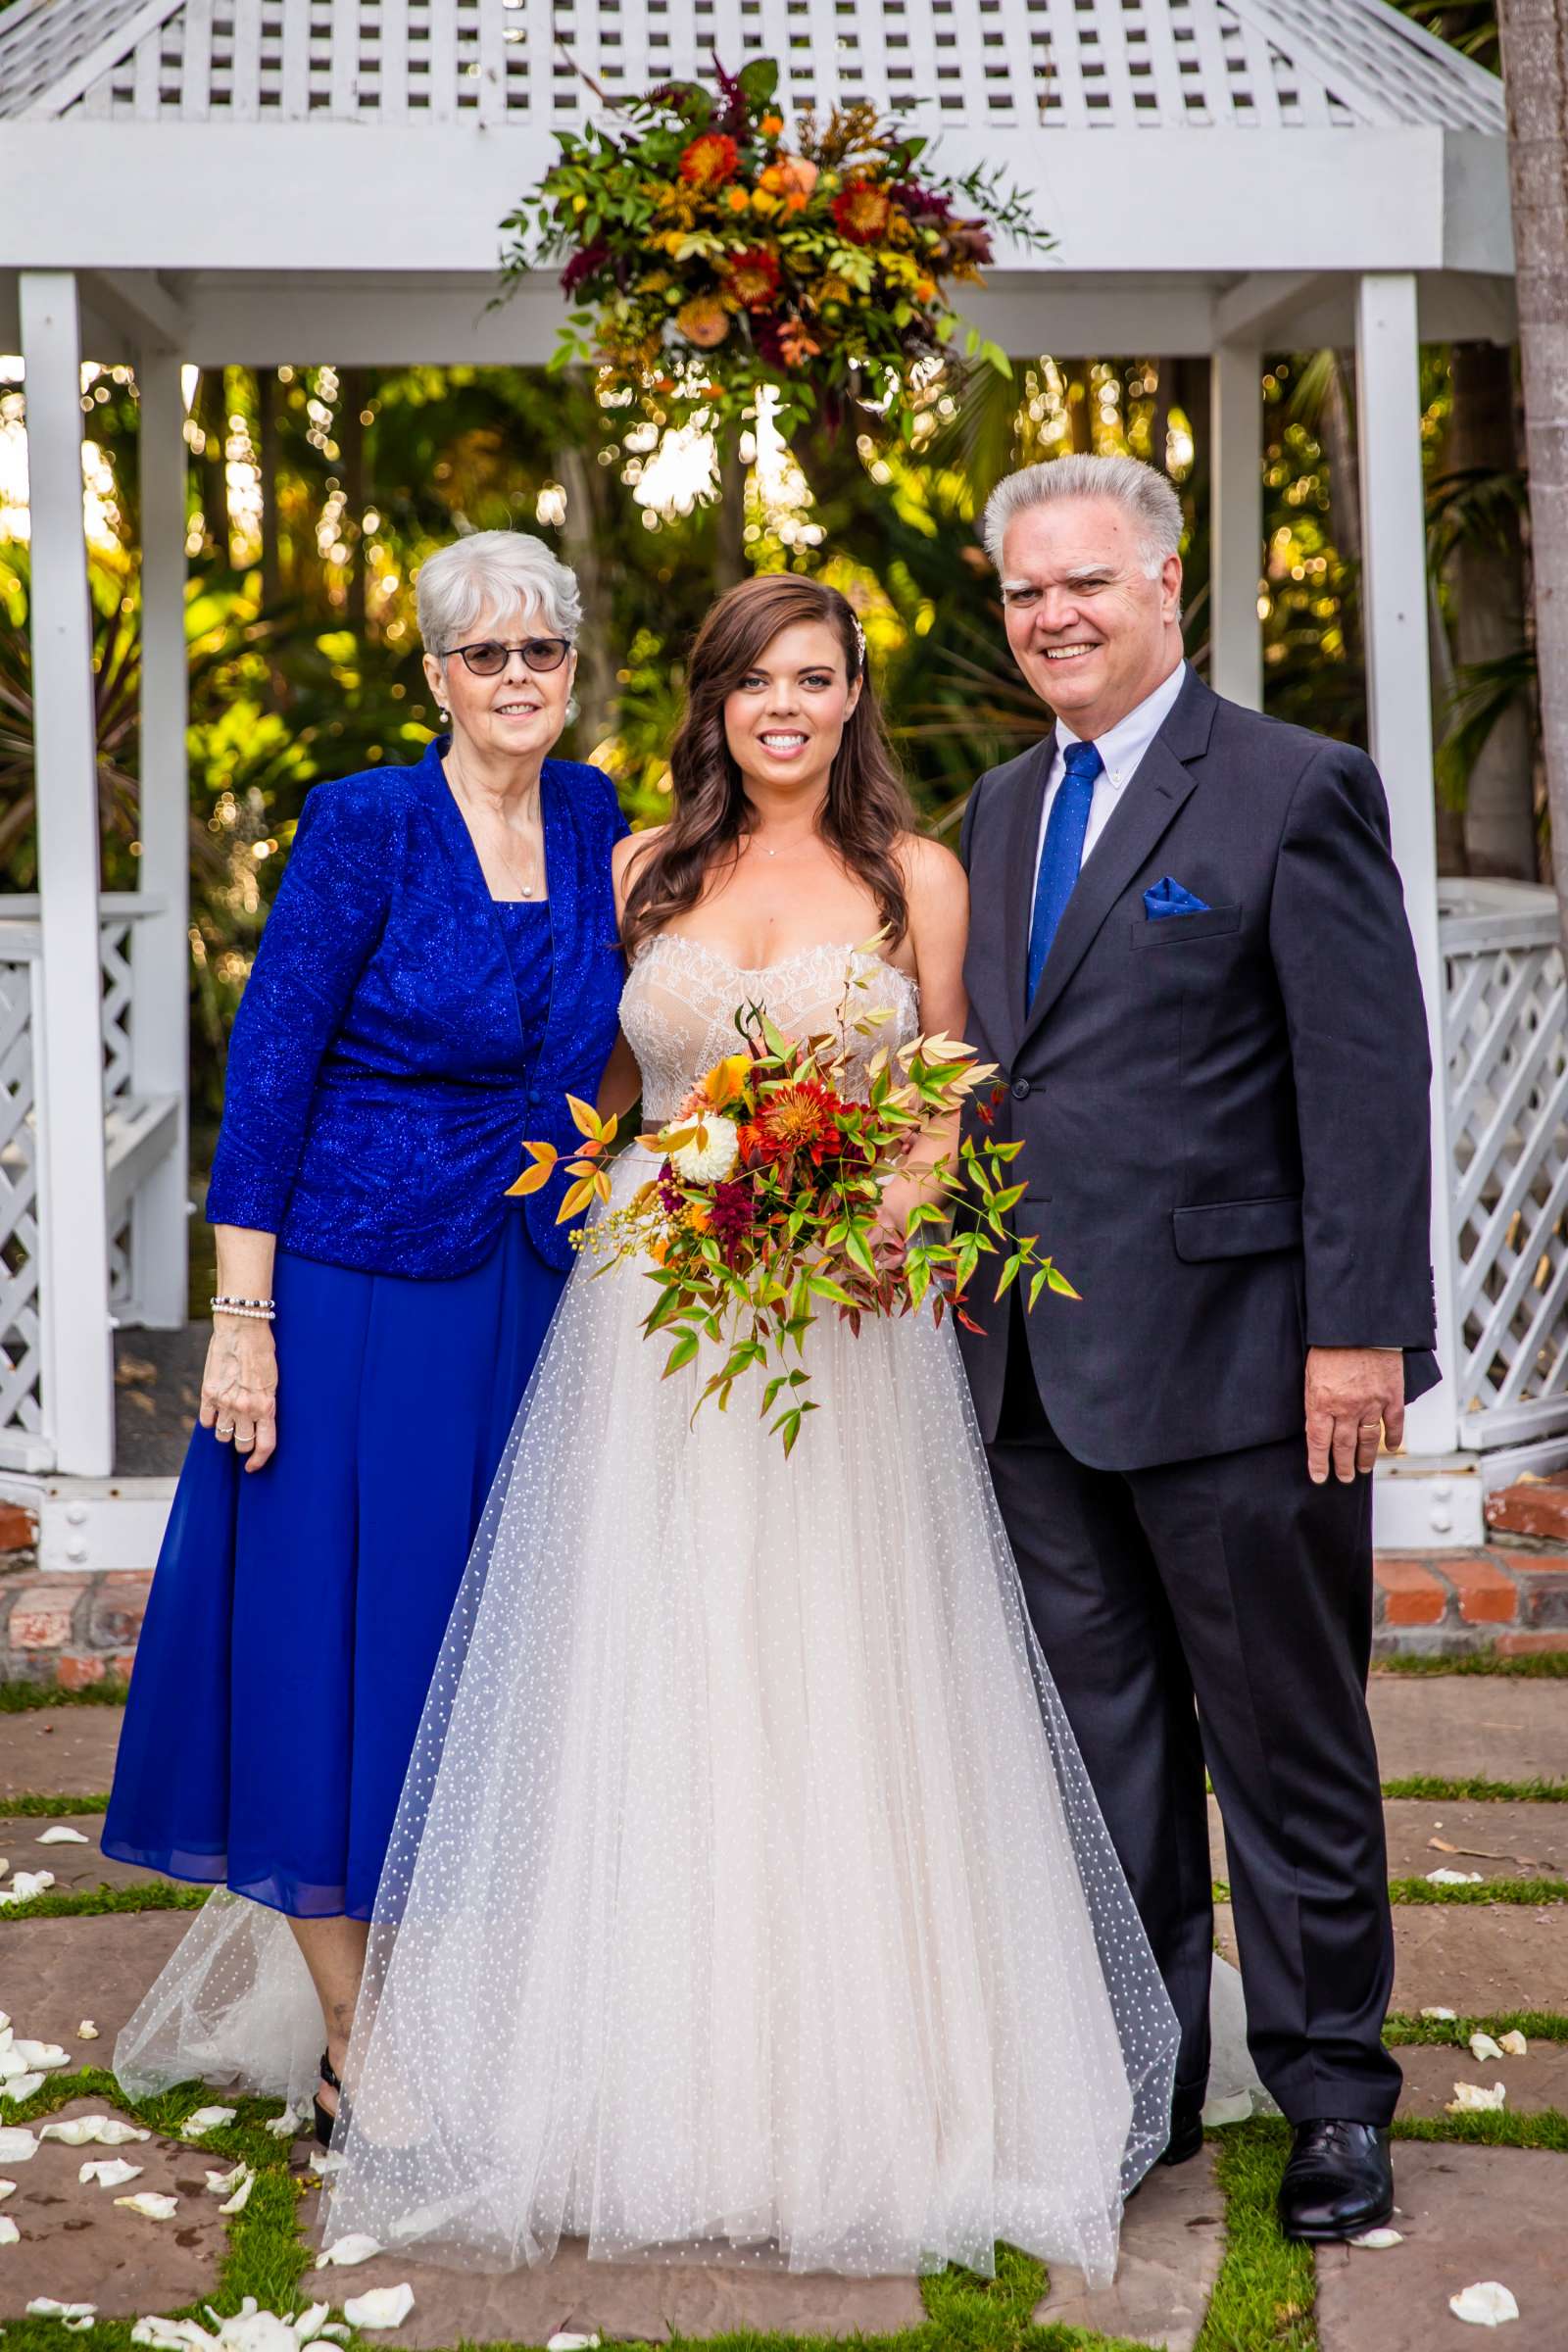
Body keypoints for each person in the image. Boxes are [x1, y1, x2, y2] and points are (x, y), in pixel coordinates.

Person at [320, 573, 1179, 2284]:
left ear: (854, 698)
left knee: (846, 1668)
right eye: (752, 681)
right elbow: (597, 1089)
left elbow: (948, 1081)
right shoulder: (643, 869)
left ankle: (875, 2083)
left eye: (816, 678)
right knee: (654, 1662)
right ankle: (635, 2073)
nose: (784, 706)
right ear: (712, 704)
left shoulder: (913, 875)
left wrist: (888, 1208)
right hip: (653, 1318)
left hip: (842, 1334)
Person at [957, 454, 1438, 2243]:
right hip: (1033, 1375)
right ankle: (1144, 2080)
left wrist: (1360, 1333)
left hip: (1246, 1366)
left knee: (1285, 1743)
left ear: (1171, 588)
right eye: (1025, 592)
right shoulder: (1001, 809)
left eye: (1086, 581)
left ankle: (1333, 2096)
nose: (1055, 615)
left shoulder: (1294, 789)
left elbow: (1367, 1083)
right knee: (1109, 1758)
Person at [106, 531, 627, 2144]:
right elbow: (266, 1076)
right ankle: (357, 2044)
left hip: (537, 1286)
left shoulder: (600, 813)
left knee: (484, 1656)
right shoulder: (364, 825)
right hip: (351, 1289)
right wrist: (244, 1320)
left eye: (544, 652)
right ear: (436, 678)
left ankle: (486, 2008)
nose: (521, 679)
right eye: (488, 655)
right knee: (336, 1649)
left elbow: (628, 1037)